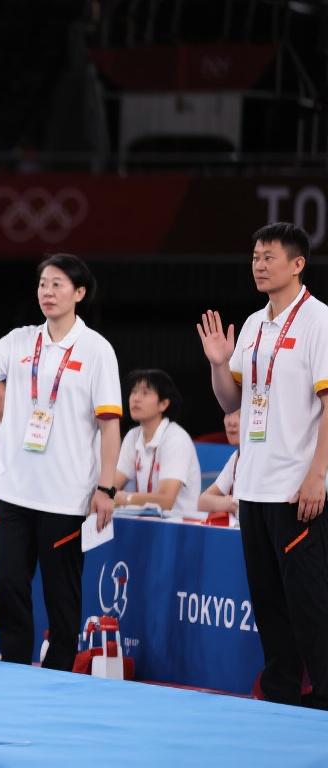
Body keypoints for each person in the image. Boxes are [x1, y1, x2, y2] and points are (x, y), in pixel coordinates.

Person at [0, 252, 122, 671]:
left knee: (61, 596)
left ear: (79, 292)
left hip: (66, 496)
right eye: (43, 283)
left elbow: (110, 426)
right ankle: (14, 668)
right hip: (13, 492)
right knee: (6, 584)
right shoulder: (21, 340)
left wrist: (106, 487)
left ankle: (58, 674)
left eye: (58, 284)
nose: (48, 291)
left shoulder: (97, 350)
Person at [197, 221, 327, 710]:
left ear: (298, 264)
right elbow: (232, 402)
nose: (258, 264)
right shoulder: (253, 325)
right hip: (252, 488)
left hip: (297, 490)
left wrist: (317, 476)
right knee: (268, 605)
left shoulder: (318, 321)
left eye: (269, 256)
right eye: (255, 256)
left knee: (309, 604)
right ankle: (280, 696)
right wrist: (218, 363)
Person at [112, 369, 202, 516]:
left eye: (145, 393)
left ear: (163, 404)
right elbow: (113, 486)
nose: (136, 398)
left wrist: (125, 498)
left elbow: (165, 500)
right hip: (145, 521)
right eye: (134, 392)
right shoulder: (133, 436)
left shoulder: (176, 438)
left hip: (177, 524)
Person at [197, 409, 241, 521]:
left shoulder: (267, 459)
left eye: (241, 415)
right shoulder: (237, 456)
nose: (231, 422)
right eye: (228, 414)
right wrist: (231, 503)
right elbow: (202, 501)